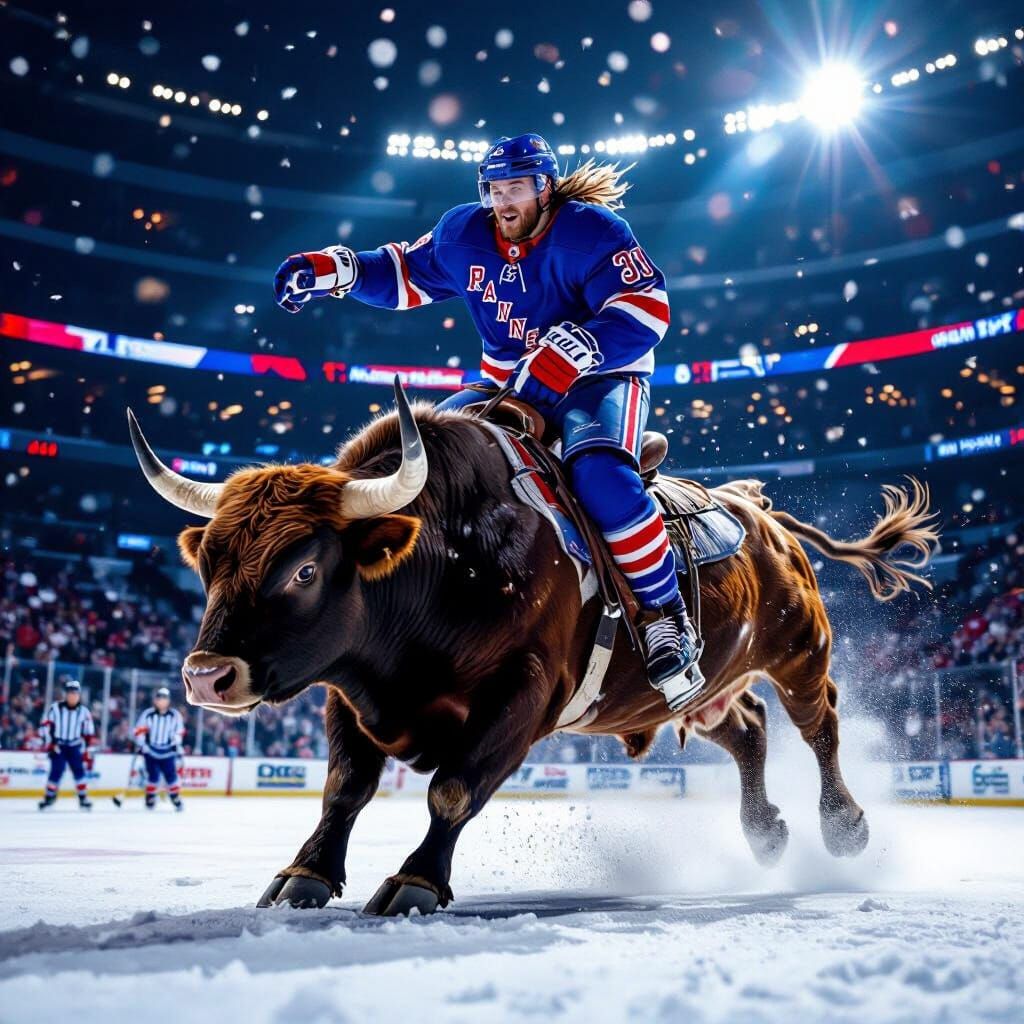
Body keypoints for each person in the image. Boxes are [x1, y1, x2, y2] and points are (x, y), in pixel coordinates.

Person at [273, 133, 704, 709]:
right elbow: (403, 272)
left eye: (517, 188)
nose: (503, 201)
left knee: (602, 478)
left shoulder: (593, 231)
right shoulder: (463, 231)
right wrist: (335, 270)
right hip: (501, 385)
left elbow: (648, 310)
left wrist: (575, 348)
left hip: (601, 380)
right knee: (413, 464)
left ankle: (664, 617)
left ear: (545, 189)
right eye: (494, 188)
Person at [38, 679, 95, 810]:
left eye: (75, 693)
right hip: (59, 745)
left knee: (79, 771)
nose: (72, 696)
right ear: (66, 694)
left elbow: (89, 733)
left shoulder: (84, 712)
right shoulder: (55, 708)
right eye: (70, 693)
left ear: (79, 695)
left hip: (75, 745)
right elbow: (44, 726)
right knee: (56, 770)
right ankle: (49, 797)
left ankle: (83, 797)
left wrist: (87, 750)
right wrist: (50, 743)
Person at [133, 686, 185, 810]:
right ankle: (150, 797)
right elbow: (138, 731)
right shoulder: (148, 714)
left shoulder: (175, 715)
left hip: (168, 751)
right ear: (155, 700)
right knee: (153, 775)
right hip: (151, 751)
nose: (161, 701)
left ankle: (175, 797)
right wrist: (142, 744)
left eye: (164, 699)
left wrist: (176, 740)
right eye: (159, 698)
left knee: (171, 775)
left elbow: (180, 731)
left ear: (168, 701)